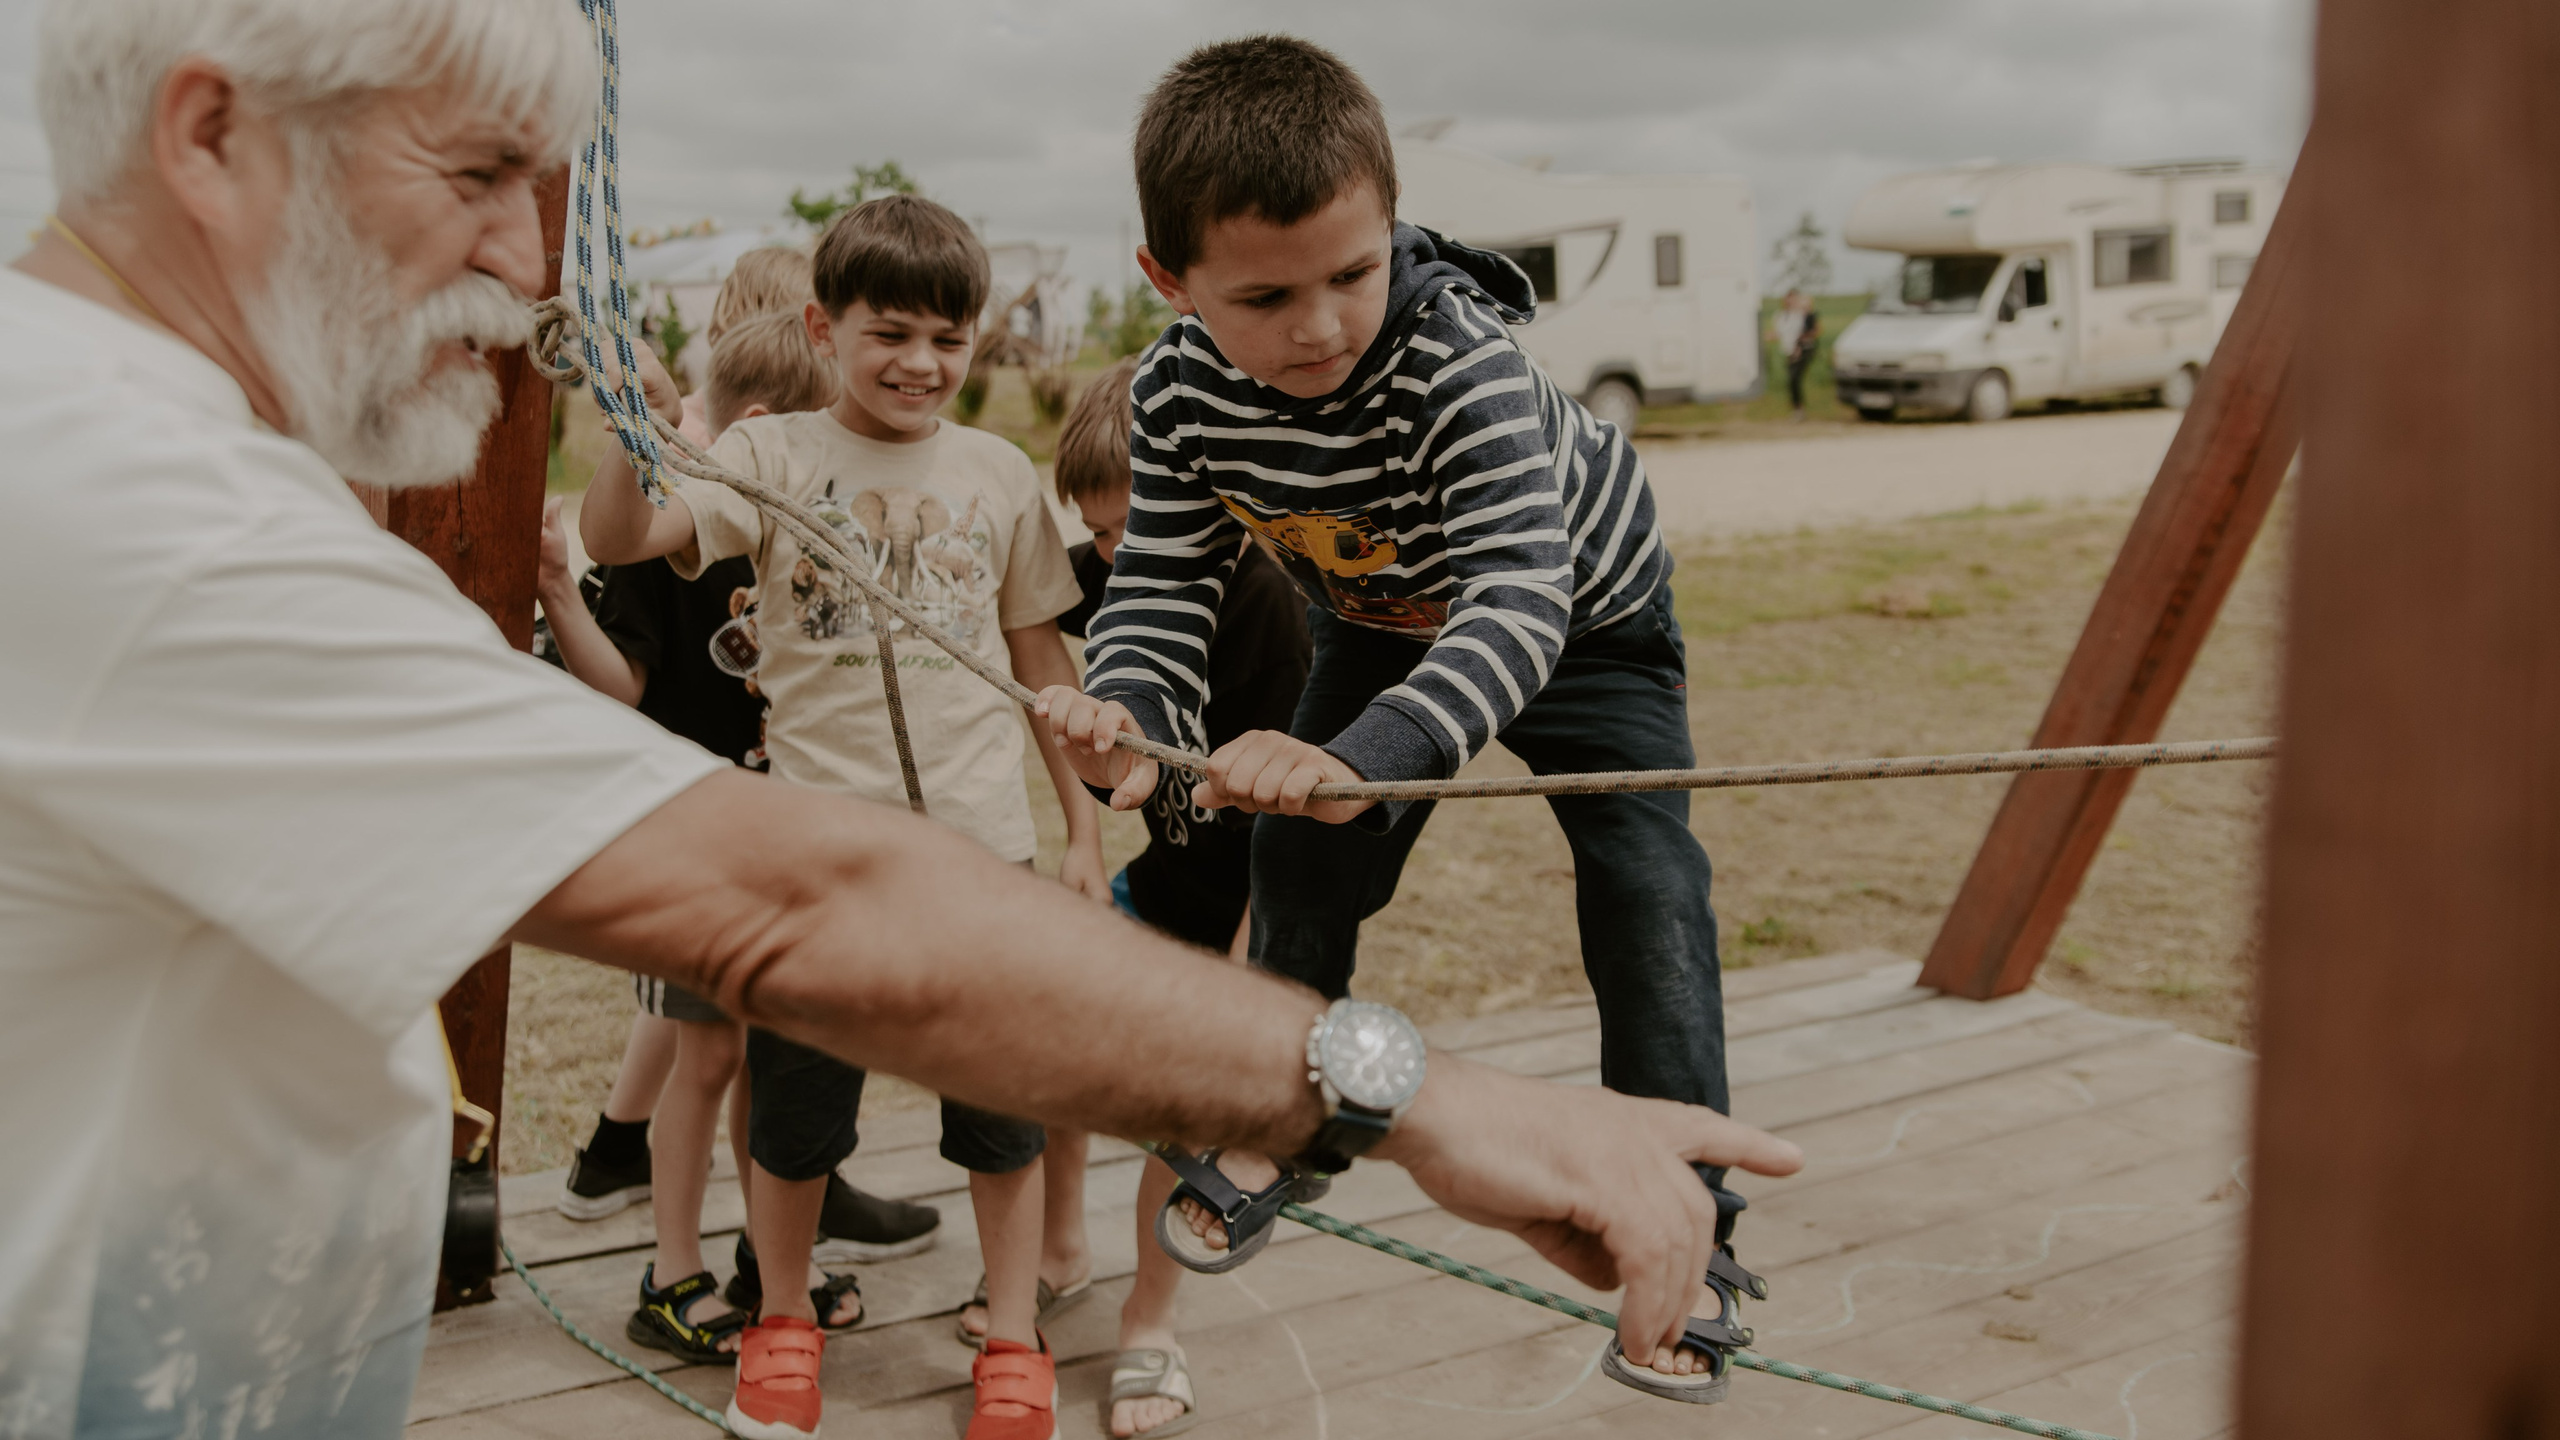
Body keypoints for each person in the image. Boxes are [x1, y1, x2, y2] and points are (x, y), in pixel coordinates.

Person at [0, 3, 1801, 1434]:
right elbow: (807, 901)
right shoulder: (120, 509)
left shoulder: (137, 462)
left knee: (1642, 873)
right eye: (477, 172)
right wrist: (1407, 1093)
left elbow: (1494, 594)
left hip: (1550, 623)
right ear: (212, 134)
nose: (517, 259)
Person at [1037, 35, 1763, 1406]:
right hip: (1384, 623)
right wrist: (1128, 716)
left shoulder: (1452, 355)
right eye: (1265, 295)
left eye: (1353, 274)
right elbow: (1164, 587)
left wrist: (1355, 760)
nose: (1321, 325)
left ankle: (1694, 1217)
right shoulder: (1178, 399)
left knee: (1643, 884)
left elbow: (1520, 601)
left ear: (1389, 231)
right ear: (1169, 281)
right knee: (1299, 865)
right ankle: (1283, 1124)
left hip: (1581, 622)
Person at [580, 194, 1115, 1440]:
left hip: (985, 864)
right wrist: (633, 433)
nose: (920, 364)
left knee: (1001, 1120)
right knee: (797, 1118)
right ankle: (779, 1320)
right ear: (824, 329)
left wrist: (1083, 840)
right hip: (819, 868)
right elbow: (628, 533)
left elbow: (1041, 663)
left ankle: (1014, 1335)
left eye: (948, 338)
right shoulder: (769, 460)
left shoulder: (997, 474)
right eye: (890, 335)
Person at [1049, 357, 1314, 1437]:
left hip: (1246, 909)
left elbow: (1295, 852)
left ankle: (1150, 1319)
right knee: (1049, 1060)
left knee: (1189, 1123)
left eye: (1132, 534)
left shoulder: (1279, 624)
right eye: (1098, 534)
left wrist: (1252, 978)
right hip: (1151, 881)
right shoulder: (1110, 568)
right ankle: (1060, 1242)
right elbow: (1022, 602)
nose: (1112, 560)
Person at [1771, 288, 1820, 419]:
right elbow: (1780, 333)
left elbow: (1811, 330)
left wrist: (1799, 347)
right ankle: (1797, 408)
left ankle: (1799, 410)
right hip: (1789, 351)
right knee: (1792, 380)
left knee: (1794, 378)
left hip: (1801, 350)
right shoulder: (1780, 315)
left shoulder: (1802, 314)